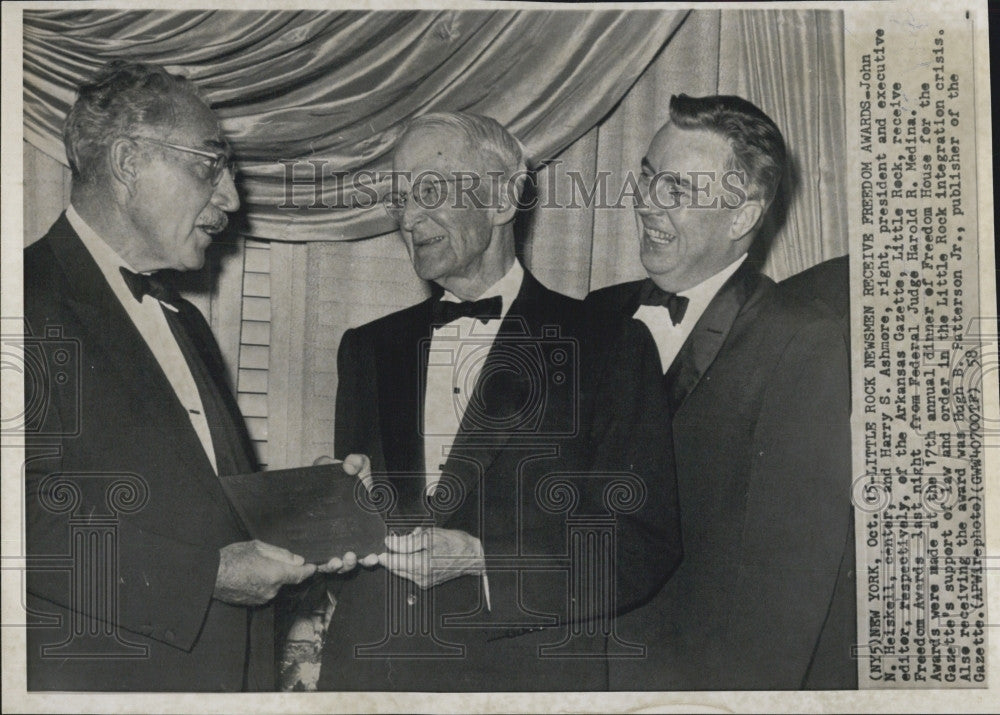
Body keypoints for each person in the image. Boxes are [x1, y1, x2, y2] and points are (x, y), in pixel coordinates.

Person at [319, 112, 681, 691]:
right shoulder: (367, 348)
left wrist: (483, 561)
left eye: (431, 190)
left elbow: (640, 545)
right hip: (370, 675)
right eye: (400, 198)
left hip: (524, 680)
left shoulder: (608, 344)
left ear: (503, 199)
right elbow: (361, 531)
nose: (409, 218)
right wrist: (334, 505)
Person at [22, 60, 353, 691]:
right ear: (127, 162)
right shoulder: (22, 295)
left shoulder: (184, 321)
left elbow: (203, 506)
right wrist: (206, 577)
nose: (231, 198)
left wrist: (309, 505)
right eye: (210, 163)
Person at [587, 94, 856, 689]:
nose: (647, 204)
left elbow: (787, 589)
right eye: (649, 178)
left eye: (678, 191)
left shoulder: (802, 342)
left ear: (741, 218)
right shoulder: (595, 316)